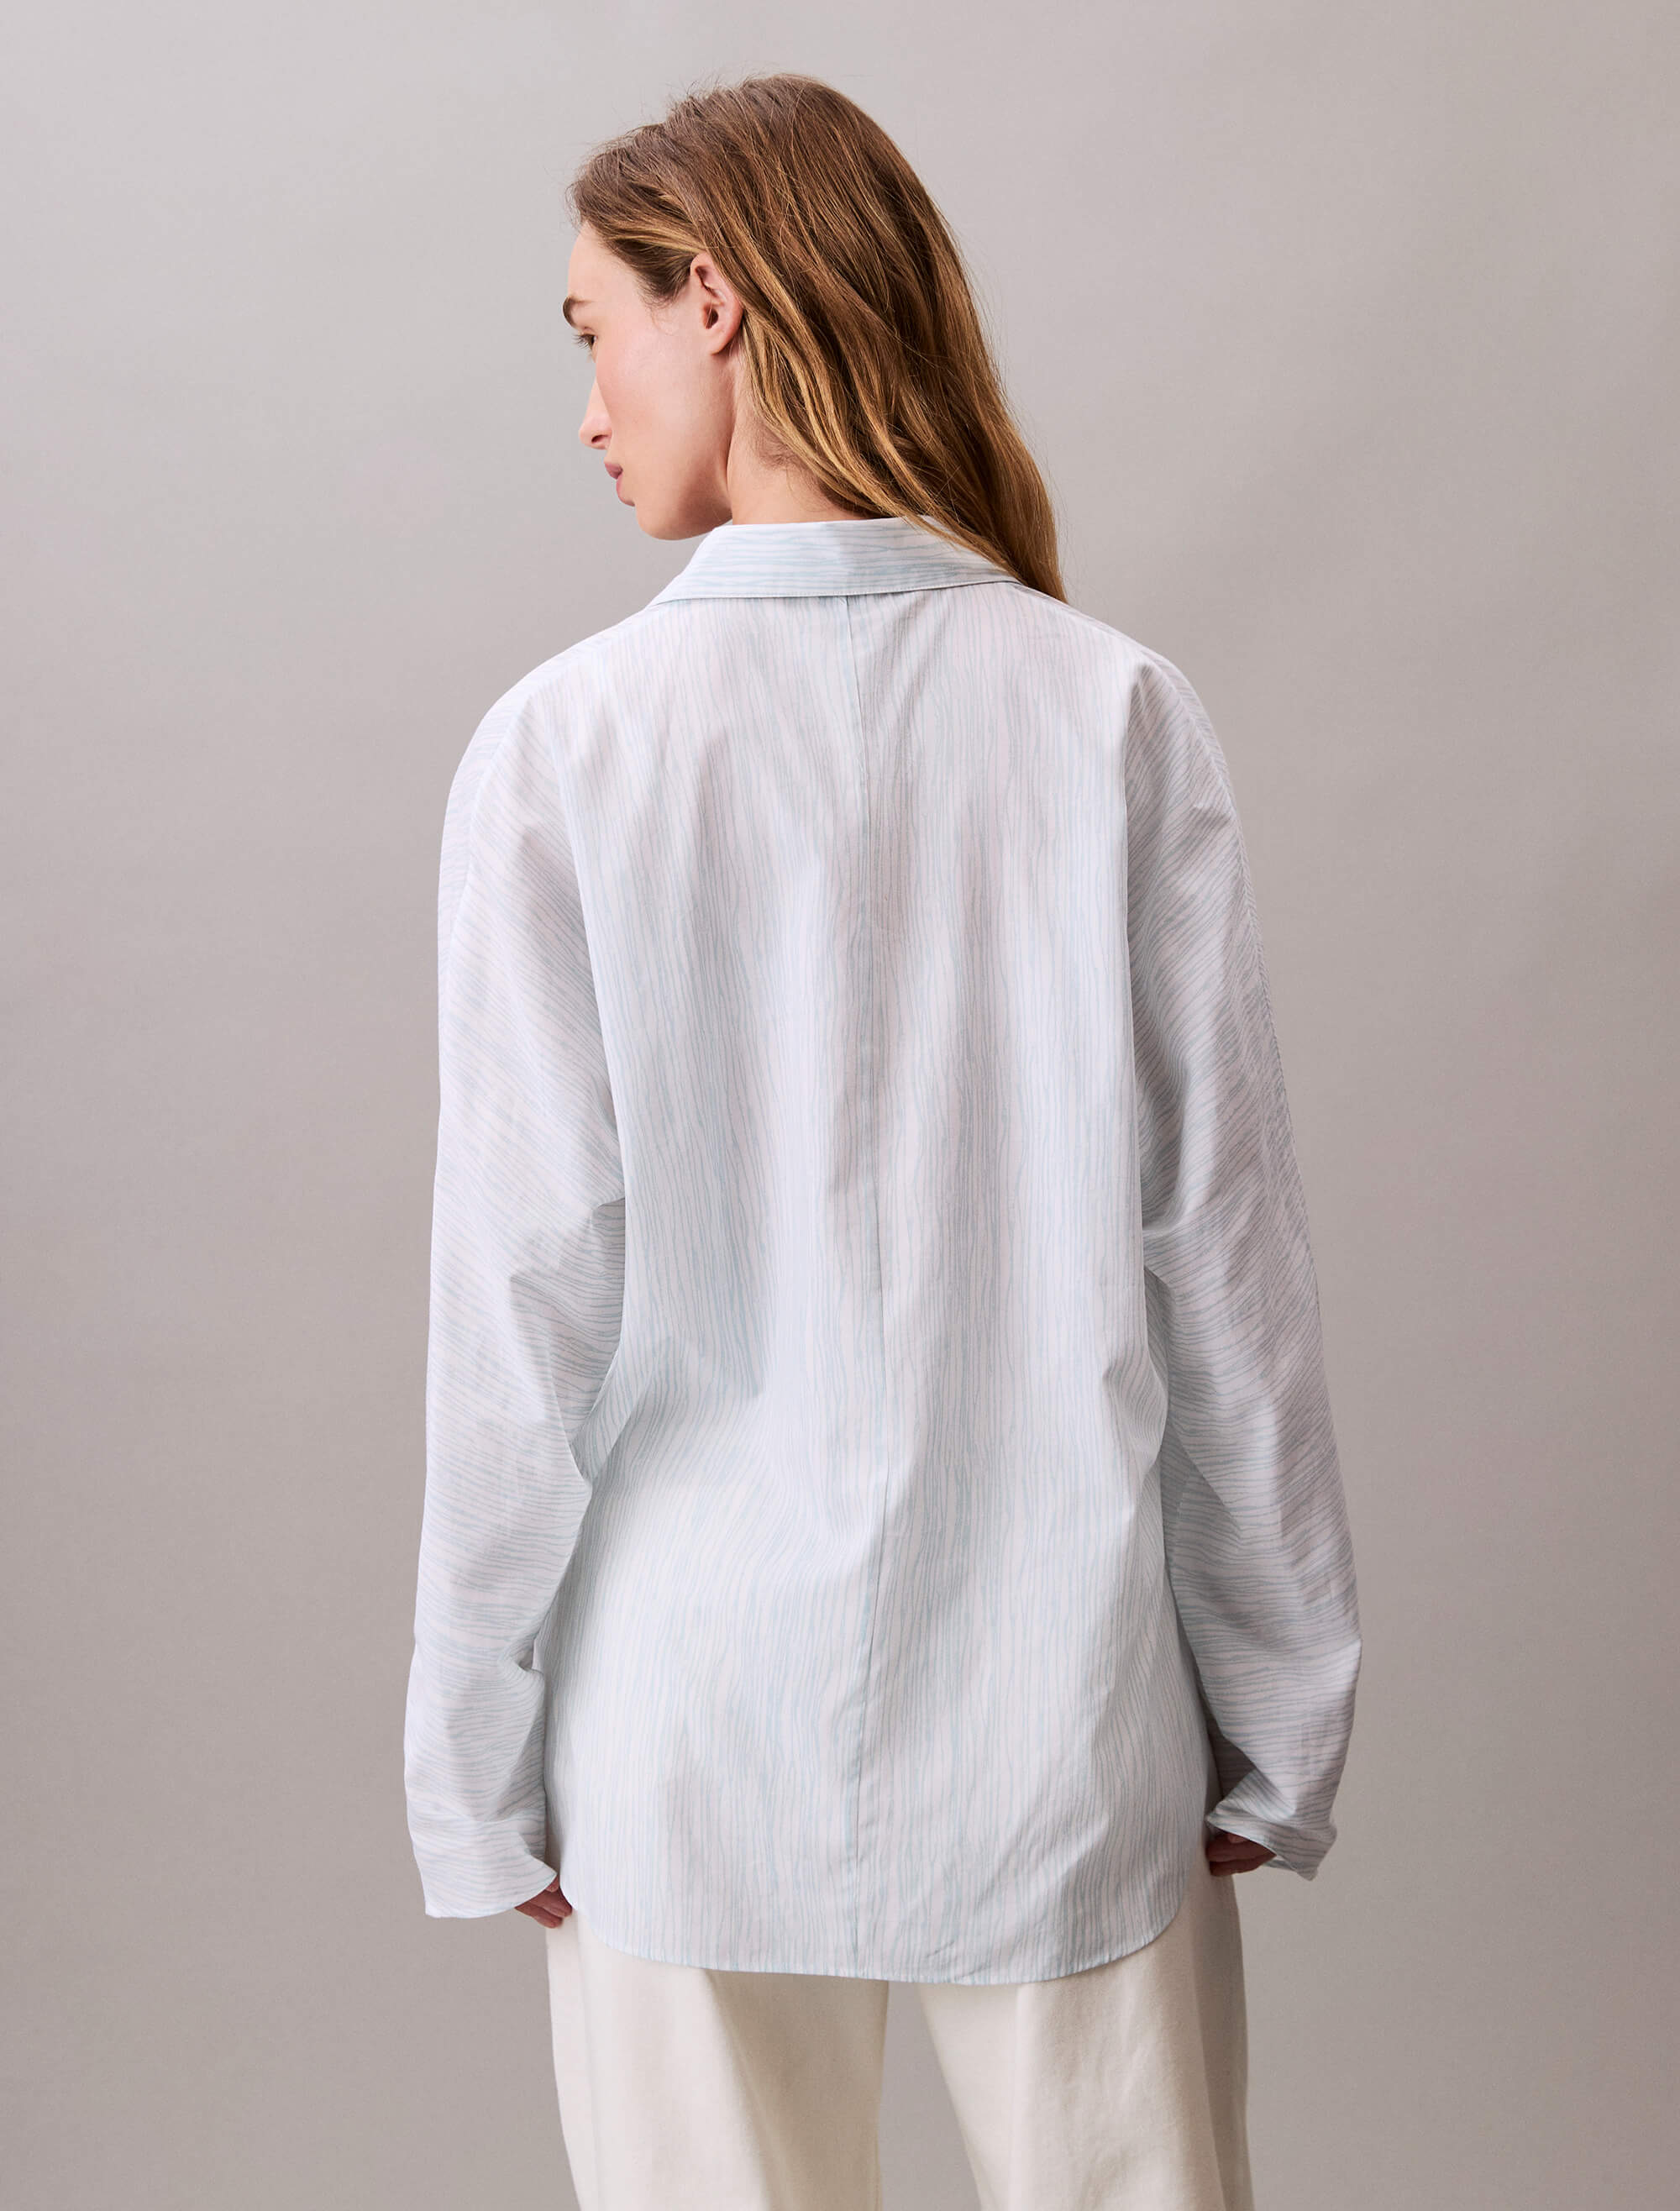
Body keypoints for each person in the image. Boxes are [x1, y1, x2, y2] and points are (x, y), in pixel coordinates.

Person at [403, 70, 1361, 2211]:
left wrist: (473, 1752)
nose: (586, 407)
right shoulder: (1109, 713)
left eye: (595, 329)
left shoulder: (561, 749)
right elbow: (1224, 1263)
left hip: (684, 1725)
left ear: (718, 300)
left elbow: (523, 1299)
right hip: (1063, 1712)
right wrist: (1281, 1704)